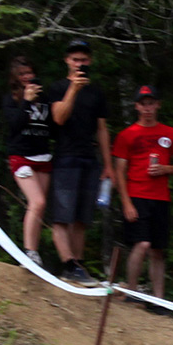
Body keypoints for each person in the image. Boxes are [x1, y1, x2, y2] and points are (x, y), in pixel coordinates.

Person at [45, 40, 111, 287]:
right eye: (75, 60)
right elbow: (58, 118)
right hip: (65, 156)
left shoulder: (96, 92)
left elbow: (102, 129)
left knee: (82, 216)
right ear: (67, 61)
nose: (79, 64)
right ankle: (68, 263)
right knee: (62, 214)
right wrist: (73, 88)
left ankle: (78, 264)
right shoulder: (57, 88)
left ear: (89, 61)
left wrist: (108, 164)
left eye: (83, 60)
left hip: (89, 156)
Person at [111, 85, 173, 298]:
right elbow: (119, 171)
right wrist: (126, 203)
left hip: (161, 197)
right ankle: (132, 291)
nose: (147, 108)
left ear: (157, 105)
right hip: (136, 195)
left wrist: (166, 169)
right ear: (136, 106)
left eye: (151, 104)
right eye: (143, 104)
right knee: (141, 243)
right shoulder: (127, 135)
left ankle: (159, 299)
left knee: (157, 249)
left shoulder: (170, 133)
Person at [0, 56, 55, 266]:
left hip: (43, 155)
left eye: (29, 73)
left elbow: (53, 126)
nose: (27, 77)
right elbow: (15, 124)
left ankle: (35, 252)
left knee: (40, 207)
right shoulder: (11, 99)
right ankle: (29, 252)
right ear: (15, 77)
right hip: (21, 156)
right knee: (37, 201)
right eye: (22, 74)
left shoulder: (45, 98)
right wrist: (26, 101)